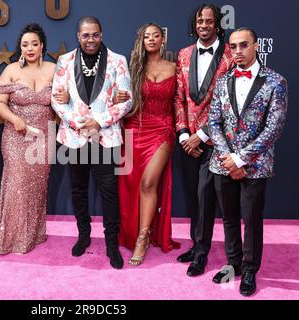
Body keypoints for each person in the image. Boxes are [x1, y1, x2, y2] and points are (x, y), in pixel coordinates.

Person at [209, 27, 288, 296]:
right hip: (223, 163)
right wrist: (228, 157)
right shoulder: (222, 81)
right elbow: (213, 122)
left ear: (256, 46)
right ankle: (233, 264)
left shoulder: (275, 81)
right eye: (233, 46)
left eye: (244, 45)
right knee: (229, 219)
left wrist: (241, 158)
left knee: (251, 220)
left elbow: (274, 128)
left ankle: (250, 270)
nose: (238, 51)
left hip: (255, 165)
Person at [51, 16, 132, 269]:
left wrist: (99, 122)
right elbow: (56, 99)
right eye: (85, 35)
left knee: (109, 193)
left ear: (101, 34)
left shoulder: (118, 60)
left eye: (95, 35)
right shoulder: (64, 61)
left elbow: (126, 101)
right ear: (78, 36)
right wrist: (78, 123)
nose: (90, 40)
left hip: (104, 137)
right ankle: (83, 236)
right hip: (74, 137)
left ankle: (110, 244)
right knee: (78, 190)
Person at [0, 23, 68, 255]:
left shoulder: (55, 69)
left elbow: (66, 99)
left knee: (37, 187)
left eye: (34, 44)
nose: (29, 48)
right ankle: (10, 237)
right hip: (15, 136)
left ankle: (32, 233)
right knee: (17, 184)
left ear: (42, 46)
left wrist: (65, 96)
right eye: (25, 44)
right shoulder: (11, 69)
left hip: (43, 138)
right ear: (20, 48)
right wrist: (15, 119)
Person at [173, 4, 234, 276]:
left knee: (207, 196)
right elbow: (179, 97)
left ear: (217, 24)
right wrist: (184, 133)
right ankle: (198, 244)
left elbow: (229, 104)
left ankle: (201, 254)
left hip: (215, 140)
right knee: (194, 199)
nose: (204, 25)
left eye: (209, 21)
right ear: (195, 24)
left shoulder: (231, 55)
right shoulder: (184, 54)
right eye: (200, 21)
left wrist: (201, 135)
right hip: (188, 141)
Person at [116, 23, 180, 266]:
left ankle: (143, 238)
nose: (151, 39)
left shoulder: (175, 68)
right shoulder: (133, 69)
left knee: (148, 182)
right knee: (131, 186)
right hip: (134, 128)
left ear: (163, 40)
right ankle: (134, 232)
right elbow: (119, 96)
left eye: (156, 36)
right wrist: (120, 96)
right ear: (141, 41)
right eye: (146, 36)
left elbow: (181, 101)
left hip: (162, 129)